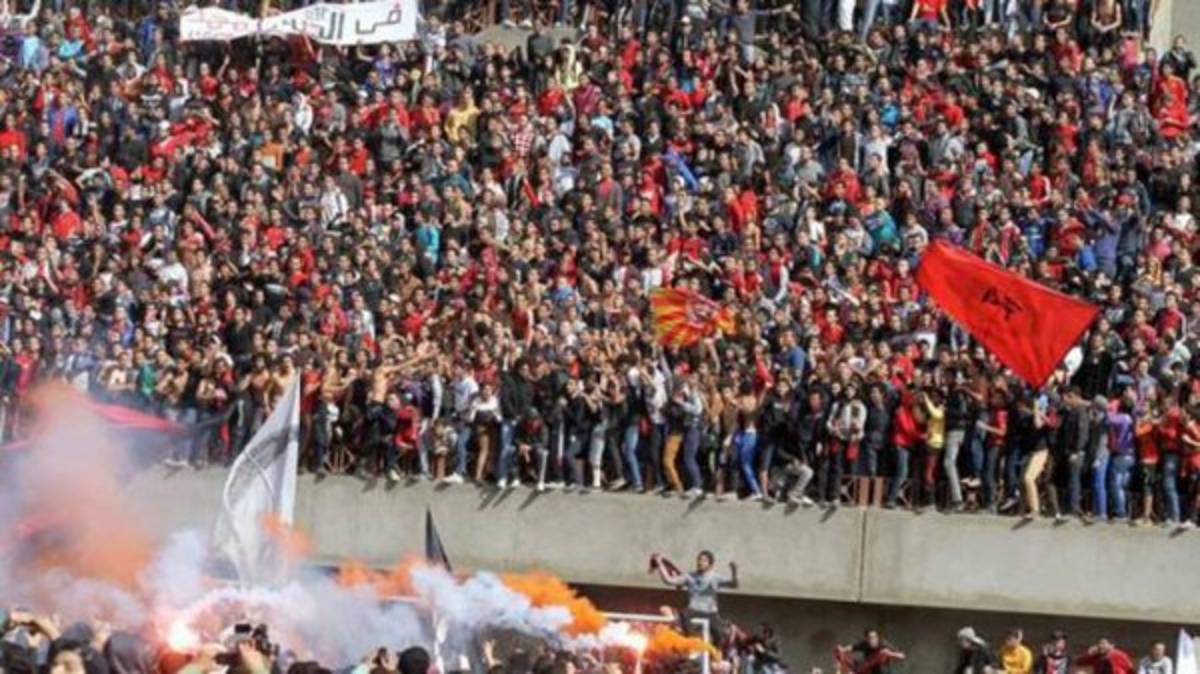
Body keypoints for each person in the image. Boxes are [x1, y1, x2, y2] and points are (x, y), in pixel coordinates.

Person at [651, 550, 739, 637]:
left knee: (721, 635)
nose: (700, 562)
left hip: (711, 613)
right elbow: (669, 580)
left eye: (704, 561)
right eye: (699, 560)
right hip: (693, 610)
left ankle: (728, 631)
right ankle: (691, 639)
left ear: (710, 564)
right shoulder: (689, 576)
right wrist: (660, 564)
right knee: (683, 621)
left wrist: (734, 571)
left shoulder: (715, 577)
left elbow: (734, 585)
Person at [834, 630, 905, 674]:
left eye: (875, 637)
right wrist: (842, 650)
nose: (873, 640)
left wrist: (890, 653)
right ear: (867, 639)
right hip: (869, 670)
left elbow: (901, 656)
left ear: (878, 638)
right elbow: (851, 647)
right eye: (870, 638)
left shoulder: (883, 644)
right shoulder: (864, 644)